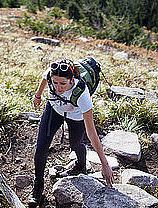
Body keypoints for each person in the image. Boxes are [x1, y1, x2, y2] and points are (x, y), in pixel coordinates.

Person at [28, 58, 114, 208]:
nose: (58, 87)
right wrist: (38, 95)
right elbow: (44, 78)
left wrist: (105, 164)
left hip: (76, 116)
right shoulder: (51, 75)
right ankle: (38, 185)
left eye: (63, 83)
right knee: (41, 147)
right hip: (54, 109)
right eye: (55, 83)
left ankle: (81, 165)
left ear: (71, 79)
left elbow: (92, 133)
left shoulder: (82, 93)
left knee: (76, 144)